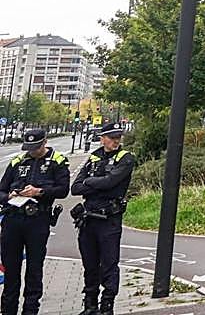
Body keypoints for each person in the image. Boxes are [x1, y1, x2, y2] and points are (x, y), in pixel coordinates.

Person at [0, 128, 70, 315]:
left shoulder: (57, 161)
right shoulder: (18, 161)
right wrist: (9, 196)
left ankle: (30, 310)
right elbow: (1, 190)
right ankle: (8, 310)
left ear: (44, 142)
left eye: (36, 147)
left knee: (34, 268)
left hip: (38, 219)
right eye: (29, 147)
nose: (32, 151)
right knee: (11, 269)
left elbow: (63, 190)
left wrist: (39, 192)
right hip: (13, 218)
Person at [71, 122, 135, 315]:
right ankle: (90, 305)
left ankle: (107, 306)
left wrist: (90, 182)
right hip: (88, 218)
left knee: (109, 264)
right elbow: (75, 188)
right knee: (89, 264)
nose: (116, 141)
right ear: (103, 138)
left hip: (109, 219)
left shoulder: (126, 158)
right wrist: (97, 184)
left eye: (118, 137)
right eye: (112, 137)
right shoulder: (93, 157)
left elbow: (111, 183)